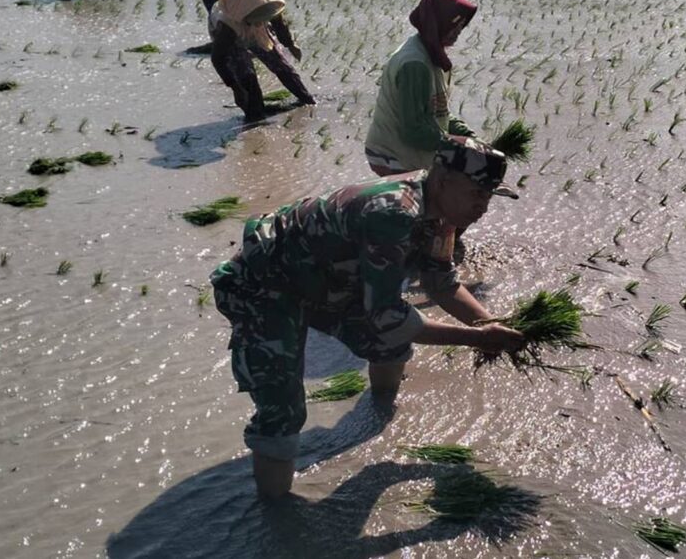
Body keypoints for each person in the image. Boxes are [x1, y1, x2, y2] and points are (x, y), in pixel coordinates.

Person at [210, 136, 523, 499]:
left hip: (328, 281)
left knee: (389, 342)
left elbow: (442, 284)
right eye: (476, 194)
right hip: (263, 286)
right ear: (442, 180)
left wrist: (490, 324)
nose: (483, 207)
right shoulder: (392, 212)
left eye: (489, 196)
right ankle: (276, 518)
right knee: (283, 411)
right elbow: (387, 313)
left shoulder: (443, 219)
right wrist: (478, 339)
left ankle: (379, 416)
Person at [365, 0, 479, 176]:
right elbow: (413, 130)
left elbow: (438, 114)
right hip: (391, 155)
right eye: (455, 23)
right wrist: (459, 147)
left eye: (462, 25)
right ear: (440, 22)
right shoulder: (415, 66)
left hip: (405, 148)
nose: (459, 30)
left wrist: (469, 137)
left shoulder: (432, 54)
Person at [209, 0, 315, 120]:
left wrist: (290, 44)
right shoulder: (227, 25)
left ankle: (307, 99)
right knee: (247, 77)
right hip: (235, 34)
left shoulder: (265, 3)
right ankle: (255, 117)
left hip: (253, 28)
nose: (263, 21)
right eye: (259, 18)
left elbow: (279, 25)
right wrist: (234, 87)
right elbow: (217, 58)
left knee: (282, 66)